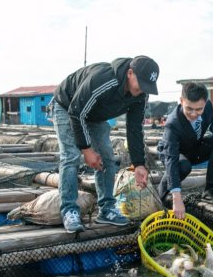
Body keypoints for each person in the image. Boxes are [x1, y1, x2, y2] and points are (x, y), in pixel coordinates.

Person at [51, 56, 159, 232]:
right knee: (71, 156)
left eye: (147, 88)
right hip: (68, 107)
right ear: (130, 73)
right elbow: (77, 112)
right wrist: (86, 149)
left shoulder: (140, 96)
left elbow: (134, 129)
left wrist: (139, 164)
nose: (142, 91)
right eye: (141, 86)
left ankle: (107, 208)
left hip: (95, 115)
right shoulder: (104, 80)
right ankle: (69, 210)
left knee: (107, 156)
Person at [157, 82, 213, 219]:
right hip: (172, 152)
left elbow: (212, 123)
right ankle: (159, 197)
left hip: (193, 147)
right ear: (181, 101)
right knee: (182, 166)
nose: (193, 114)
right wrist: (177, 199)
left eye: (198, 110)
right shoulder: (172, 124)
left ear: (205, 103)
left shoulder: (207, 106)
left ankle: (209, 191)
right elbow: (171, 159)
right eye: (189, 108)